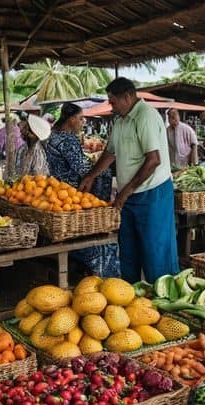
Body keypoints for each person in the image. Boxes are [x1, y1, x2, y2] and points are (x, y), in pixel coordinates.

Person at [80, 77, 178, 283]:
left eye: (113, 101)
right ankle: (130, 297)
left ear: (127, 96)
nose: (111, 106)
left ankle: (163, 301)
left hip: (153, 193)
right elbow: (110, 152)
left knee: (156, 250)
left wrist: (124, 192)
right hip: (131, 195)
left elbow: (153, 160)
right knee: (129, 250)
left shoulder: (146, 117)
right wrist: (91, 176)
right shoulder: (120, 120)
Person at [46, 102, 119, 278]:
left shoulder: (51, 136)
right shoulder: (68, 140)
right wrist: (101, 166)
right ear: (71, 119)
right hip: (73, 194)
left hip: (56, 192)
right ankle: (103, 273)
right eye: (80, 118)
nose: (83, 122)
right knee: (96, 236)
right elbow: (83, 168)